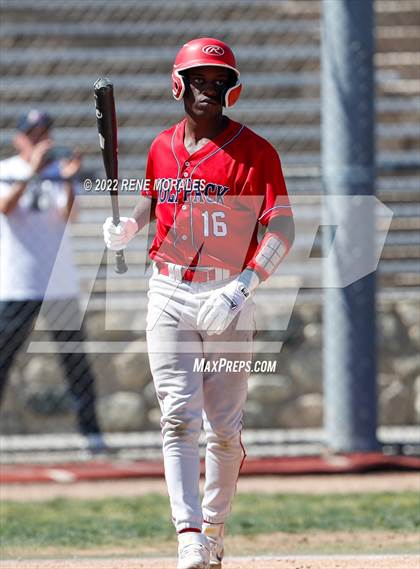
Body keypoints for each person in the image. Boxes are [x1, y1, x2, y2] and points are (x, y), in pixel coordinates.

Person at [103, 38, 294, 569]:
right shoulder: (162, 145)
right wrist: (128, 225)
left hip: (227, 293)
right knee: (177, 417)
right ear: (178, 85)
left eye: (217, 81)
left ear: (232, 90)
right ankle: (187, 533)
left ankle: (213, 527)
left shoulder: (257, 152)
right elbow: (154, 197)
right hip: (167, 289)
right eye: (198, 80)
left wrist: (243, 287)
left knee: (224, 429)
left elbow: (283, 228)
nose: (207, 89)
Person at [0, 109, 102, 441]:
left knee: (76, 363)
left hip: (59, 284)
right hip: (19, 284)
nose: (40, 141)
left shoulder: (60, 173)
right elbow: (6, 207)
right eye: (32, 135)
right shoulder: (8, 170)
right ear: (19, 139)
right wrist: (33, 170)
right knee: (3, 358)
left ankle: (91, 434)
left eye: (44, 134)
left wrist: (70, 179)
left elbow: (68, 216)